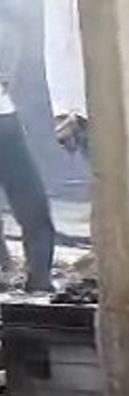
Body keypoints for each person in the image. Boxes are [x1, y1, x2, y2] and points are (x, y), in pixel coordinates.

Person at [0, 0, 55, 292]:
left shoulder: (8, 25)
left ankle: (39, 278)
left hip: (4, 117)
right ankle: (35, 277)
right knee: (31, 202)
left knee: (32, 203)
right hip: (5, 117)